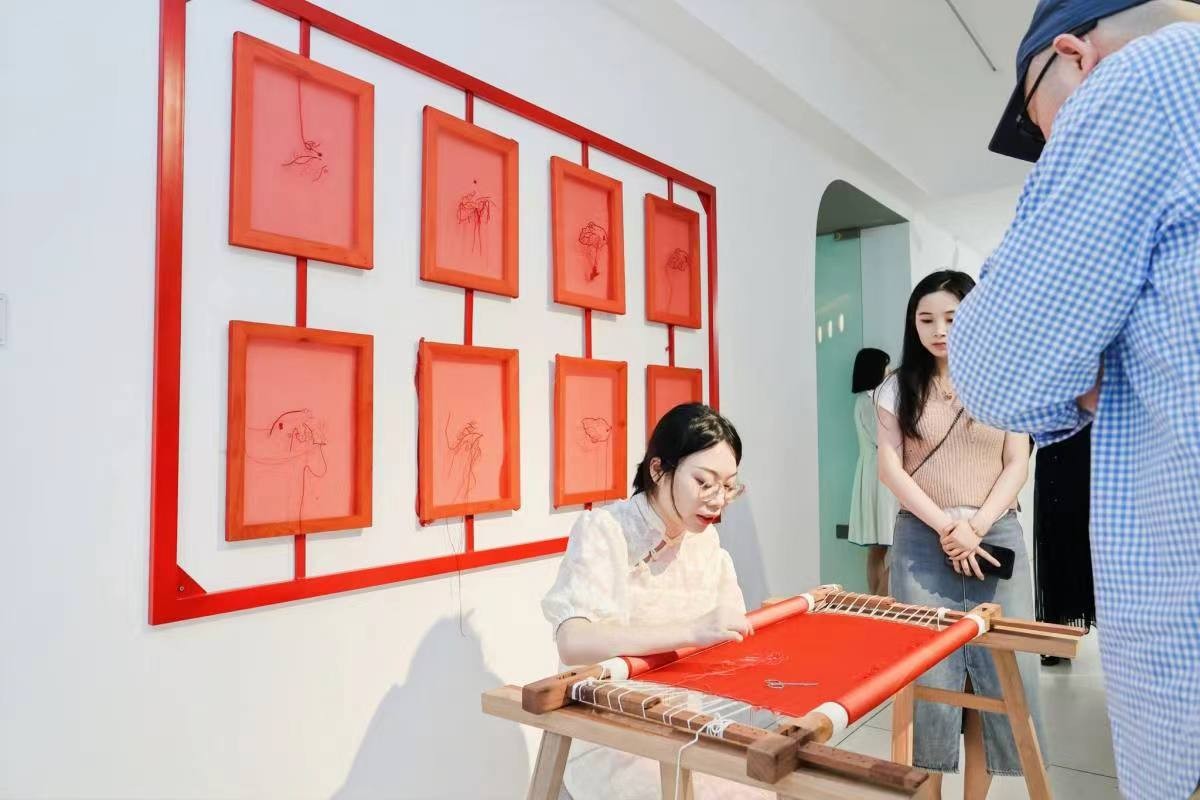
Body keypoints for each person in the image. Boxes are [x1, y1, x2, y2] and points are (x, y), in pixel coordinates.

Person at [950, 2, 1200, 797]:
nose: (1052, 143)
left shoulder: (1142, 78)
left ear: (1074, 57)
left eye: (1041, 119)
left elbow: (998, 371)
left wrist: (1093, 362)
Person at [541, 403, 767, 800]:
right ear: (659, 469)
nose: (717, 500)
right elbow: (573, 641)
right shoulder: (605, 530)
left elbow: (730, 629)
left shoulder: (704, 541)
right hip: (610, 730)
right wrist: (691, 631)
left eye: (728, 486)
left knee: (762, 788)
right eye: (704, 482)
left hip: (687, 722)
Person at [876, 270, 1044, 799]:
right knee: (927, 679)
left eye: (952, 317)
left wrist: (976, 526)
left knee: (999, 674)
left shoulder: (1007, 380)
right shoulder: (896, 387)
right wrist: (949, 526)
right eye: (926, 319)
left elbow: (1017, 462)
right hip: (924, 539)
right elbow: (891, 469)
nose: (939, 330)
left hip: (995, 536)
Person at [848, 347, 900, 595]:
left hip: (872, 474)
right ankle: (878, 601)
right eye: (886, 365)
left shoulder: (865, 399)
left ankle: (874, 601)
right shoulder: (873, 402)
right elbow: (884, 441)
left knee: (877, 548)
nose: (889, 370)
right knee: (894, 545)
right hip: (883, 477)